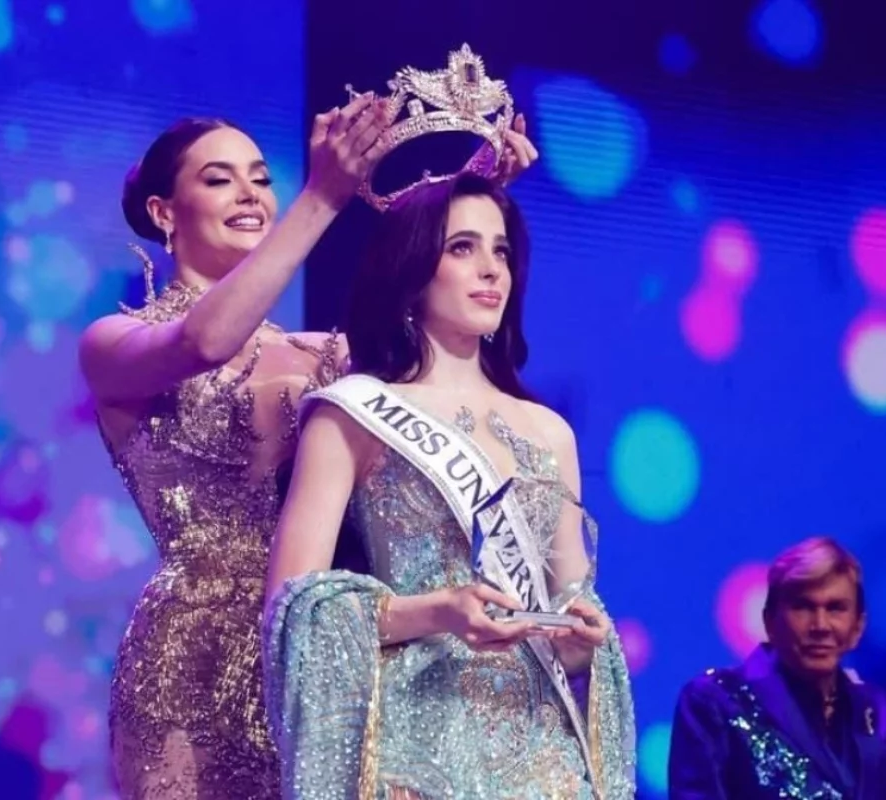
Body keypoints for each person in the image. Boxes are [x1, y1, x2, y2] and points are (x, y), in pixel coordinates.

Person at [81, 93, 541, 797]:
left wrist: (469, 195)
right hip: (190, 659)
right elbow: (205, 341)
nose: (250, 194)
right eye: (219, 178)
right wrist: (323, 195)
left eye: (262, 178)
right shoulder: (115, 343)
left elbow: (423, 306)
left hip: (323, 649)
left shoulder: (327, 354)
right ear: (163, 213)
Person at [262, 168, 636, 799]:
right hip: (417, 747)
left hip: (542, 758)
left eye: (501, 252)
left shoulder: (550, 432)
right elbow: (293, 606)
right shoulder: (354, 412)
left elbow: (572, 599)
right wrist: (438, 611)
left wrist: (581, 644)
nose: (491, 269)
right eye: (462, 247)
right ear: (412, 270)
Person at [668, 537, 886, 800]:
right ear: (770, 621)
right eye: (803, 607)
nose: (820, 626)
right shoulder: (716, 703)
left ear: (858, 627)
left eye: (836, 608)